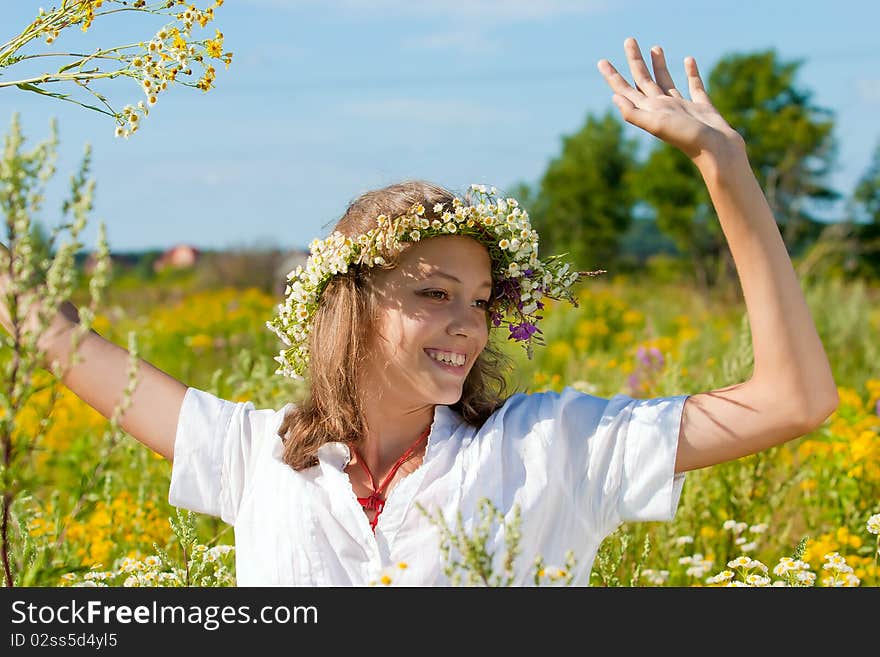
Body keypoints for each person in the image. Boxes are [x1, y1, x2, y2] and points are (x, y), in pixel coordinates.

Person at [0, 37, 838, 586]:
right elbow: (59, 337)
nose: (468, 324)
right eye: (434, 293)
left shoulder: (556, 447)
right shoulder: (254, 456)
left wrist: (723, 167)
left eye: (479, 301)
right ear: (349, 305)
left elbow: (793, 400)